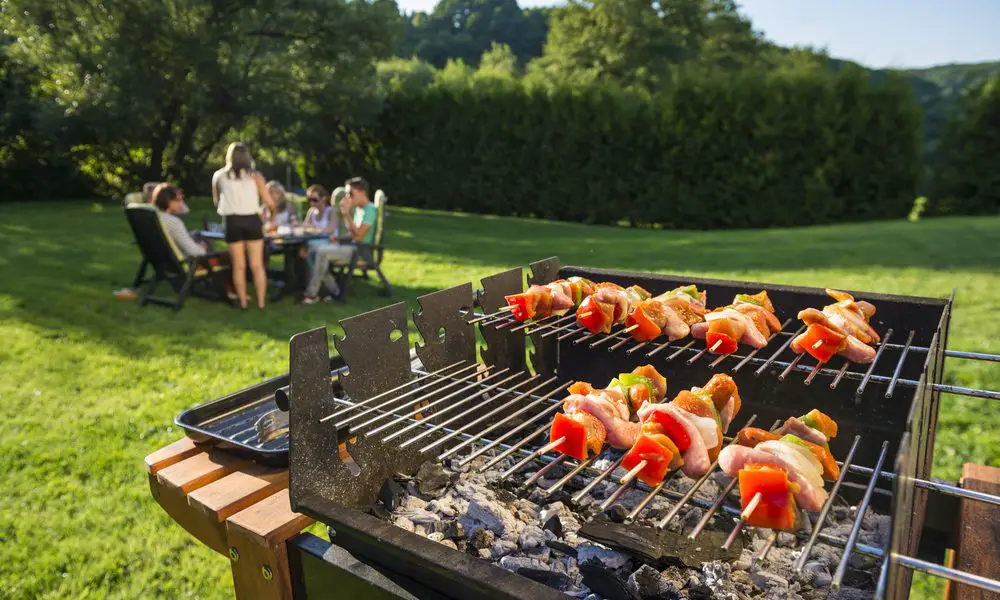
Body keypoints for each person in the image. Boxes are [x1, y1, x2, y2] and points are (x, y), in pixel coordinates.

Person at [212, 142, 274, 310]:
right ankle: (261, 303)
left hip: (231, 221)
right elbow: (269, 202)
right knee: (257, 264)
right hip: (252, 220)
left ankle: (243, 302)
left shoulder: (219, 176)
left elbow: (217, 202)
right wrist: (272, 216)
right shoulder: (256, 176)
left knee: (238, 265)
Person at [301, 177, 376, 304]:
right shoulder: (359, 209)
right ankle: (335, 291)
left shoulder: (370, 210)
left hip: (360, 252)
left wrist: (346, 214)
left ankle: (312, 294)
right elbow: (352, 232)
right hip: (351, 247)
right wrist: (338, 238)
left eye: (350, 193)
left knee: (321, 252)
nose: (348, 197)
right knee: (313, 252)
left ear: (362, 192)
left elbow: (358, 235)